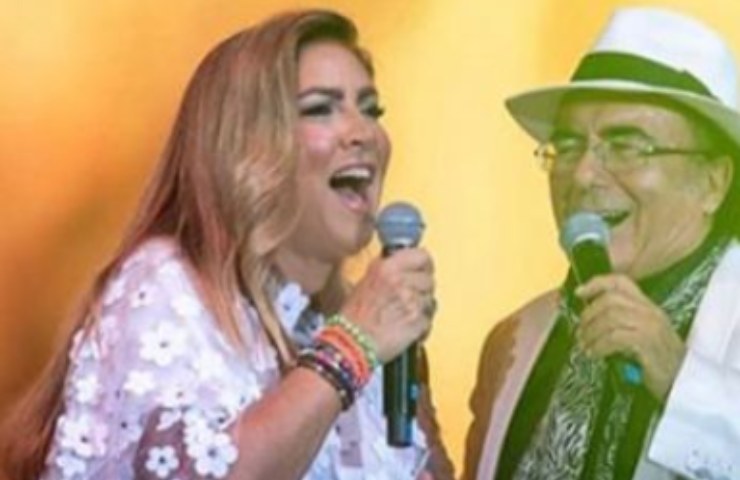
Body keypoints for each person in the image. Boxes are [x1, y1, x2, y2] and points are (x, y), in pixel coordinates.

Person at [0, 9, 455, 480]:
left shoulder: (369, 333)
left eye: (371, 110)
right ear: (244, 148)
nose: (364, 134)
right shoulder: (165, 286)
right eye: (321, 108)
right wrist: (352, 345)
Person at [463, 7, 740, 480]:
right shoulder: (516, 340)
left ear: (713, 182)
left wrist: (679, 376)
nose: (583, 175)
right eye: (569, 146)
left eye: (627, 146)